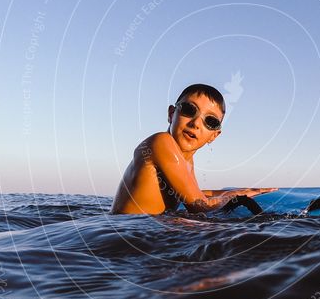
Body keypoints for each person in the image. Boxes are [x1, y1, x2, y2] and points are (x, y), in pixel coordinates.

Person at [110, 83, 276, 214]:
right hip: (124, 240)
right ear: (171, 114)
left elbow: (192, 193)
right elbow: (199, 206)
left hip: (143, 233)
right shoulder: (161, 142)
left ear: (214, 135)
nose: (196, 123)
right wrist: (234, 196)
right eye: (189, 110)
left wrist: (240, 191)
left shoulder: (187, 159)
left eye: (210, 121)